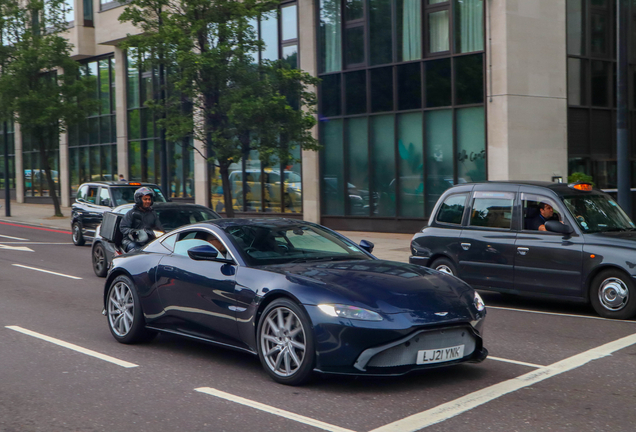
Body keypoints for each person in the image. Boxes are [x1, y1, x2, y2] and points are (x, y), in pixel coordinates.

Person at [120, 187, 163, 252]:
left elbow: (159, 228)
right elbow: (123, 227)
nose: (148, 201)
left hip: (149, 240)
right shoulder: (131, 213)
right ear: (138, 200)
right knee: (136, 250)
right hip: (132, 240)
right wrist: (133, 232)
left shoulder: (153, 213)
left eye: (149, 199)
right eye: (145, 199)